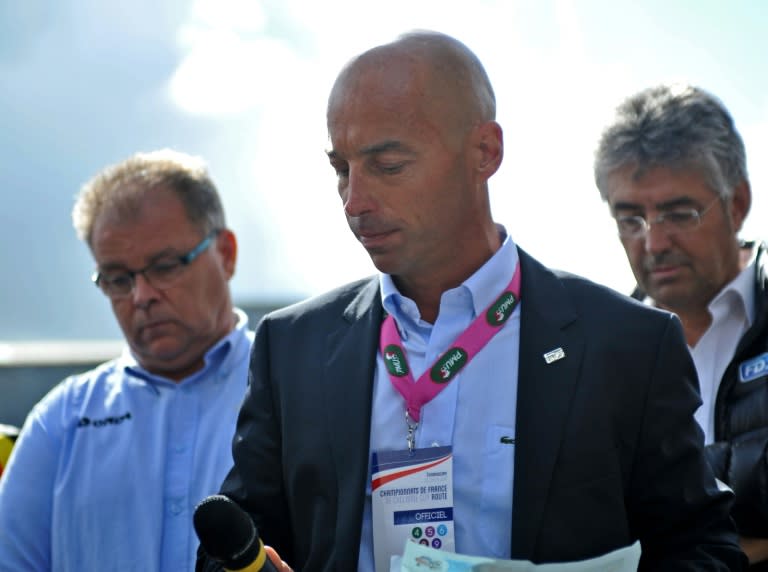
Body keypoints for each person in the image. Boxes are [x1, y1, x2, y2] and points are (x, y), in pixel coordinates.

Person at [198, 32, 745, 571]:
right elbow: (234, 546)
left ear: (485, 152)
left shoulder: (628, 344)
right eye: (341, 169)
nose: (354, 201)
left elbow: (705, 550)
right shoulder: (291, 346)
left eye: (388, 166)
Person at [0, 149, 254, 571]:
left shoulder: (295, 389)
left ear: (225, 253)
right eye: (118, 278)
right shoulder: (59, 422)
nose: (142, 296)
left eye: (165, 266)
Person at [594, 83, 768, 568]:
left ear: (737, 204)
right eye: (630, 219)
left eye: (678, 214)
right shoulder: (600, 353)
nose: (652, 243)